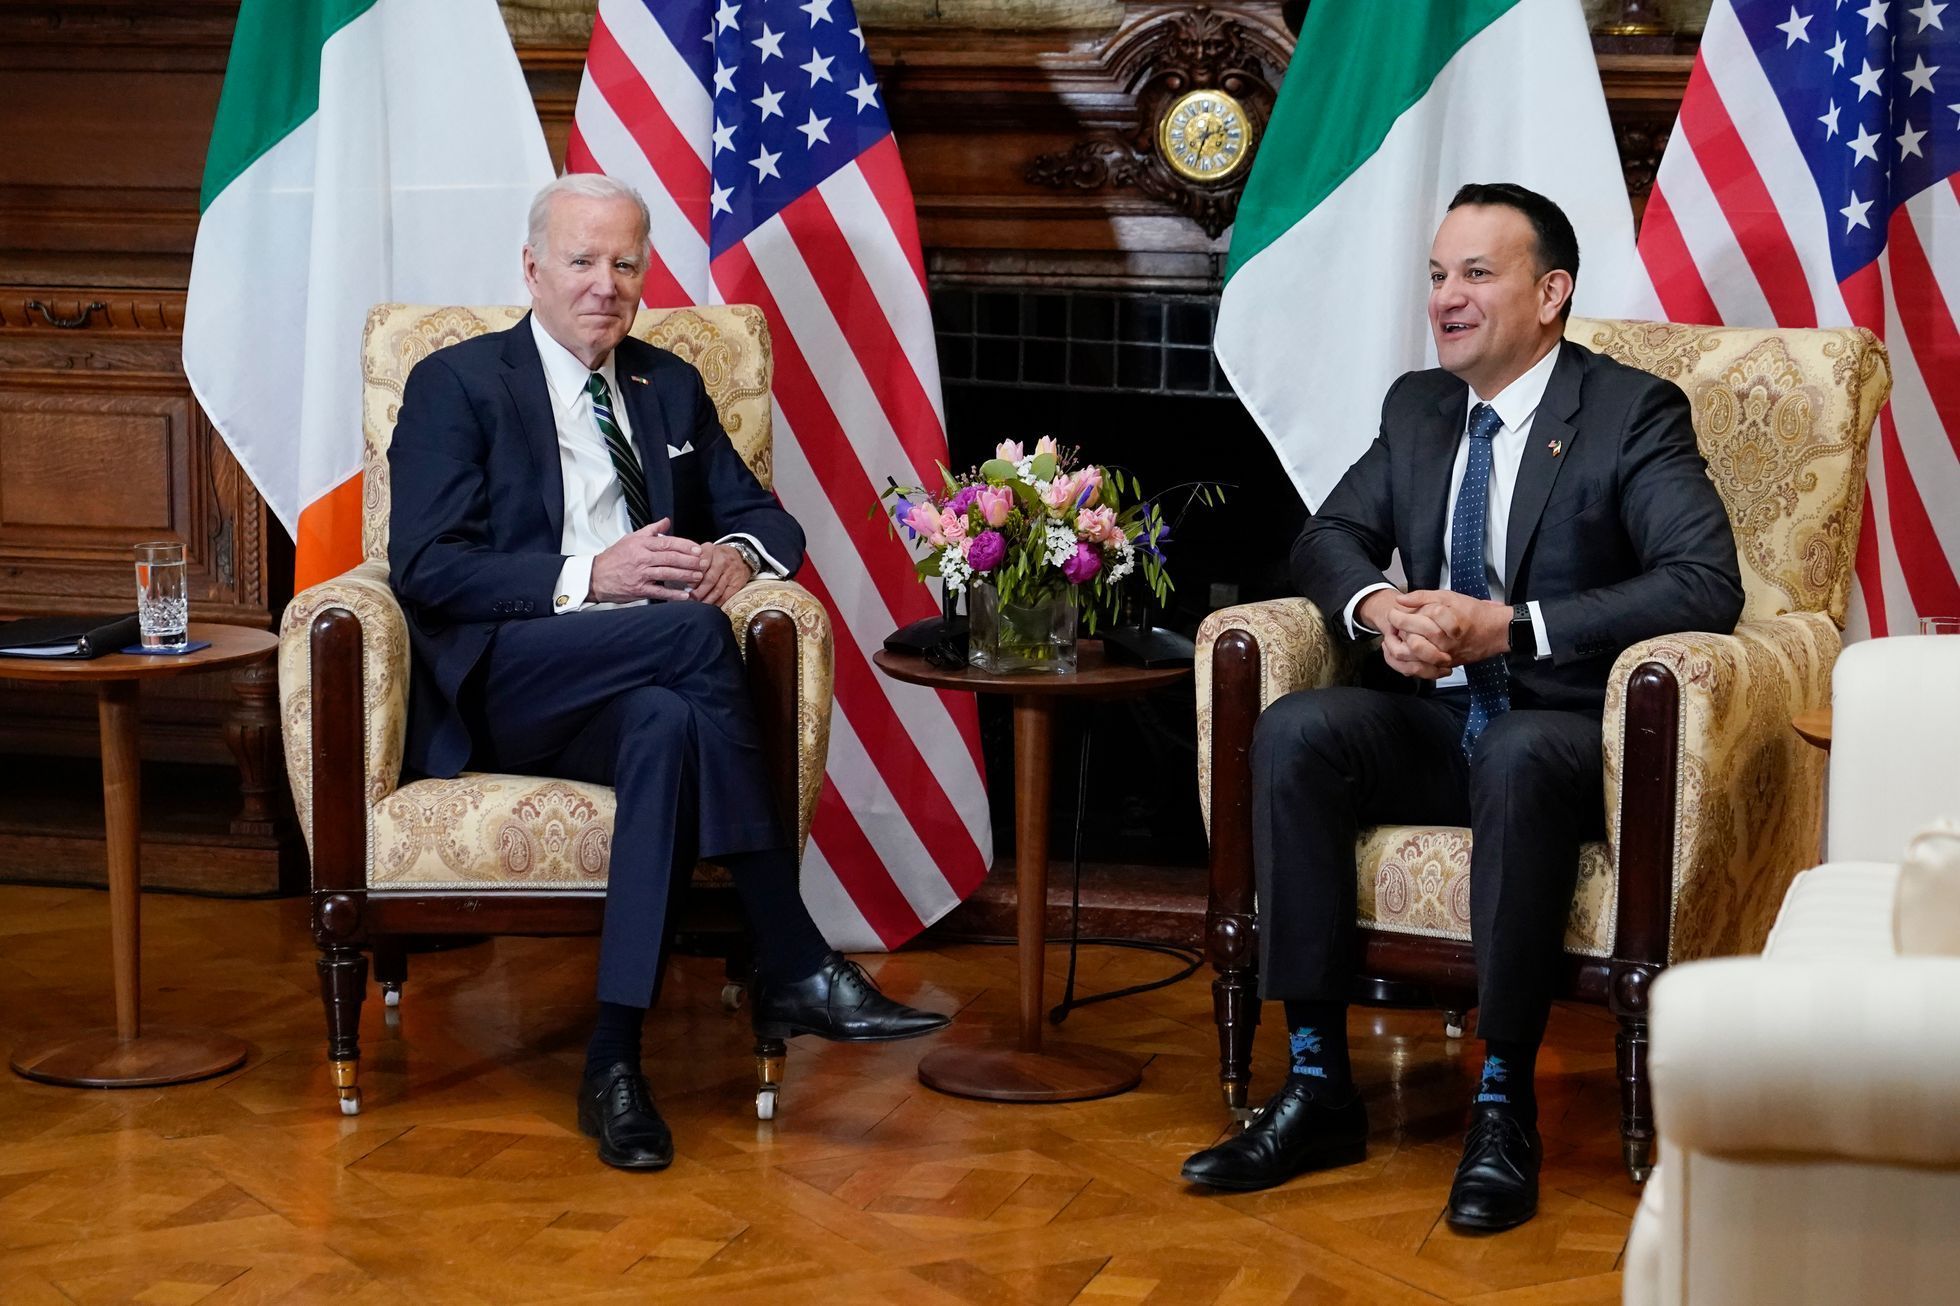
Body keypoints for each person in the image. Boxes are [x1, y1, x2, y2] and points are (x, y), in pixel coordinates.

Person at [1180, 183, 1743, 1230]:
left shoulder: (1629, 411)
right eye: (1438, 274)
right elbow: (1327, 537)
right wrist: (1379, 606)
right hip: (1440, 724)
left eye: (1477, 273)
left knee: (1518, 754)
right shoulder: (1419, 408)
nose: (1446, 296)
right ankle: (1317, 1083)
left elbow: (1703, 582)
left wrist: (1513, 626)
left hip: (1564, 731)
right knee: (1298, 730)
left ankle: (1502, 1105)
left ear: (1551, 293)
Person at [388, 173, 948, 1173]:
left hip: (635, 681)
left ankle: (614, 1064)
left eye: (625, 263)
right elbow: (425, 567)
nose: (604, 284)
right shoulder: (457, 382)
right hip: (508, 676)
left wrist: (737, 551)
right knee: (693, 638)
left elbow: (770, 518)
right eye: (581, 260)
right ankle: (790, 950)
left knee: (667, 725)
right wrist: (587, 574)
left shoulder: (667, 383)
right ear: (532, 269)